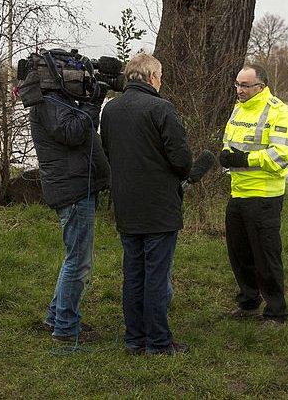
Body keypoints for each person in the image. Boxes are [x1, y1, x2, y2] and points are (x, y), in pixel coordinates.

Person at [101, 53, 192, 355]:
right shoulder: (161, 108)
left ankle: (134, 339)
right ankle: (158, 342)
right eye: (160, 77)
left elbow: (107, 152)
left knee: (133, 274)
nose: (161, 82)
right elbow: (182, 160)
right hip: (159, 208)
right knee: (155, 276)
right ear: (152, 77)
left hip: (127, 206)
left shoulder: (110, 110)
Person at [29, 81, 110, 343]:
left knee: (74, 258)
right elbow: (73, 133)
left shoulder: (54, 101)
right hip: (72, 190)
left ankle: (57, 316)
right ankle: (64, 327)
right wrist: (93, 102)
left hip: (73, 185)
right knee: (78, 261)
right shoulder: (50, 102)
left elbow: (81, 131)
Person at [218, 63, 288, 325]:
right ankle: (249, 302)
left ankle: (276, 311)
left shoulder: (279, 112)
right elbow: (230, 142)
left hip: (264, 196)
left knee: (266, 256)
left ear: (260, 87)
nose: (238, 90)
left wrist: (244, 159)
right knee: (239, 254)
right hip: (237, 192)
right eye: (237, 84)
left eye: (244, 85)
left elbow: (281, 156)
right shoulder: (238, 109)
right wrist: (227, 156)